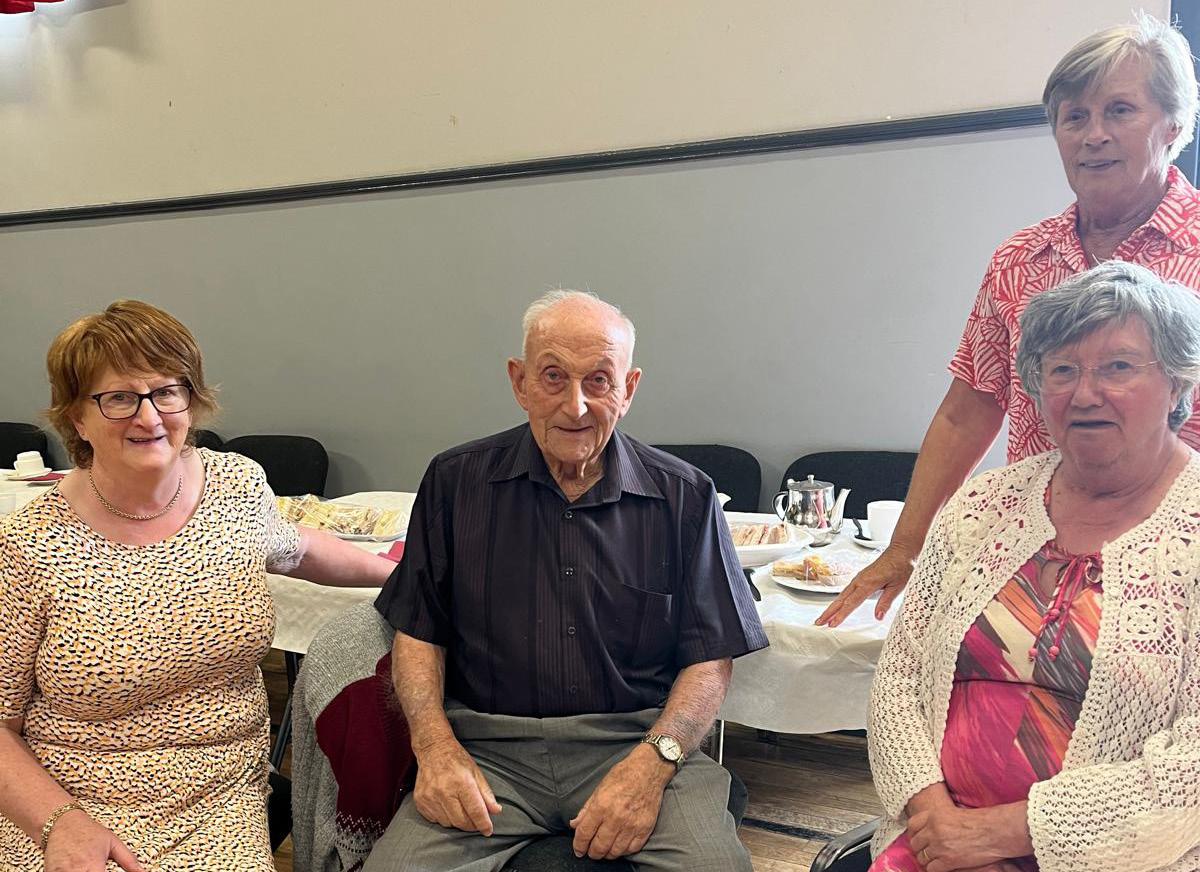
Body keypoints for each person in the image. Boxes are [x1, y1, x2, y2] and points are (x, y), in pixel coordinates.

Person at [819, 14, 1200, 628]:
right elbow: (966, 411)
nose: (1093, 135)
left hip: (1176, 567)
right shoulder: (1020, 260)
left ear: (1174, 124)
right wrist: (907, 545)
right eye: (1074, 117)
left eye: (1120, 111)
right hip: (1033, 556)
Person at [365, 290, 767, 871]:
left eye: (599, 381)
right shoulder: (455, 482)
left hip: (636, 744)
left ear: (628, 389)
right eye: (553, 376)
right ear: (519, 382)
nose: (575, 406)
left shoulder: (685, 496)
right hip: (486, 751)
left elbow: (710, 658)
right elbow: (419, 632)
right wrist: (433, 748)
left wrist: (654, 764)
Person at [0, 300, 393, 872]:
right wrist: (59, 822)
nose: (149, 417)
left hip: (220, 793)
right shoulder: (29, 544)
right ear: (77, 418)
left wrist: (406, 575)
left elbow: (297, 547)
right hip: (70, 800)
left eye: (167, 391)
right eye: (119, 398)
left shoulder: (235, 484)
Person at [866, 261, 1200, 872]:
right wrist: (935, 817)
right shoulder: (982, 505)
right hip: (935, 844)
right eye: (1062, 370)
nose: (1085, 393)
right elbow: (900, 679)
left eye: (1118, 367)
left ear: (1178, 383)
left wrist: (1006, 834)